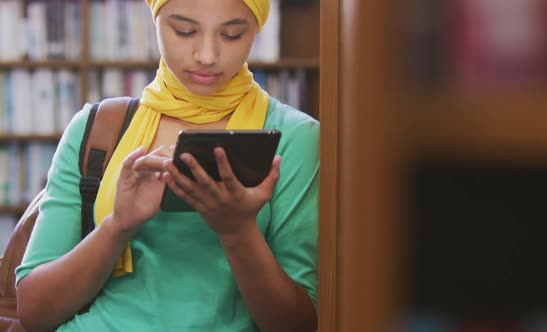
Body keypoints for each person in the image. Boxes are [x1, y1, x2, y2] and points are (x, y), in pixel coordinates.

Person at [15, 0, 319, 330]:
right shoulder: (97, 129)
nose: (207, 55)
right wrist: (117, 225)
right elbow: (34, 311)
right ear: (155, 20)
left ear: (257, 30)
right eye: (184, 31)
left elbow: (297, 324)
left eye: (231, 35)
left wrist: (238, 231)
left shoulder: (294, 138)